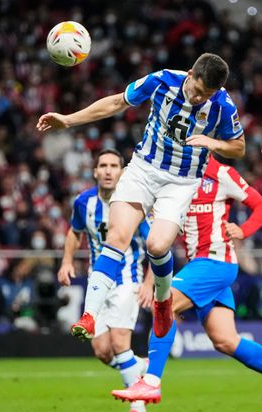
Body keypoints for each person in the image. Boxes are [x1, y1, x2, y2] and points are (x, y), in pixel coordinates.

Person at [37, 53, 245, 340]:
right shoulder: (162, 81)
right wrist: (68, 120)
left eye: (206, 96)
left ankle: (162, 302)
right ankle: (89, 315)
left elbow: (239, 147)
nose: (199, 99)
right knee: (117, 236)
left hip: (182, 182)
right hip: (143, 170)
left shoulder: (223, 105)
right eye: (197, 91)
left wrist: (213, 142)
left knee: (157, 245)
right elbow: (116, 102)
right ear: (189, 74)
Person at [111, 156, 262, 412]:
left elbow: (261, 206)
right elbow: (156, 232)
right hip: (201, 266)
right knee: (226, 340)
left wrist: (244, 229)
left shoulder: (221, 173)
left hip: (217, 262)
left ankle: (151, 380)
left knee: (165, 304)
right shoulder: (173, 176)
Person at [57, 149, 153, 412]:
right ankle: (139, 366)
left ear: (122, 172)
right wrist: (65, 262)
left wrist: (148, 282)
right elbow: (74, 233)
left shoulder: (134, 204)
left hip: (127, 280)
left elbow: (156, 245)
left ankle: (139, 409)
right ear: (95, 171)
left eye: (114, 165)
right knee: (102, 350)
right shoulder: (83, 202)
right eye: (103, 165)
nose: (109, 170)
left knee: (120, 343)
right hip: (97, 283)